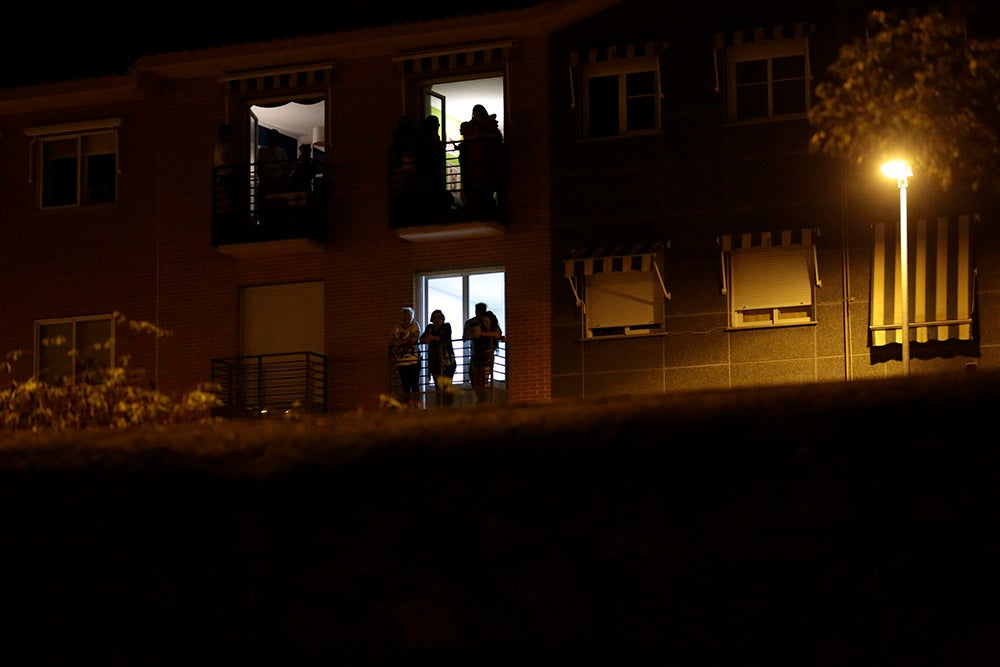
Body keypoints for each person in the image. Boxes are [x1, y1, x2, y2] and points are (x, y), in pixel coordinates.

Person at [458, 104, 504, 215]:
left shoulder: (488, 129)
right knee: (476, 189)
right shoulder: (477, 128)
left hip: (484, 164)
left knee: (482, 189)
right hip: (478, 164)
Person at [463, 302, 504, 405]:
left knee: (483, 380)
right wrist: (472, 333)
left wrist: (481, 333)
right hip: (476, 354)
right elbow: (465, 336)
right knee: (474, 380)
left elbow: (497, 334)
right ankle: (482, 400)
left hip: (486, 355)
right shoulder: (473, 323)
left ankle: (483, 401)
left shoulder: (488, 322)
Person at [420, 309, 457, 406]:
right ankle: (440, 406)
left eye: (439, 318)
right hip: (435, 361)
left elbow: (445, 337)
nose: (437, 320)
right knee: (438, 386)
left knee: (447, 384)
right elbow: (422, 339)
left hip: (447, 361)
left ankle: (448, 405)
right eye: (435, 318)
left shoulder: (446, 326)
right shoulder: (429, 327)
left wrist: (432, 338)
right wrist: (430, 338)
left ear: (442, 319)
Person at [390, 307, 422, 406]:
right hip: (402, 361)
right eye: (404, 318)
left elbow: (414, 339)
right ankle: (408, 406)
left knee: (415, 384)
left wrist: (402, 342)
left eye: (408, 318)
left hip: (414, 360)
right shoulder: (397, 327)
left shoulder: (415, 325)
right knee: (405, 385)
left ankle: (417, 405)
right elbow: (394, 341)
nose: (406, 320)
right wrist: (405, 341)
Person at [213, 124, 238, 216]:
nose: (229, 137)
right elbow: (227, 160)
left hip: (225, 175)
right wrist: (234, 166)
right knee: (228, 198)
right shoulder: (222, 147)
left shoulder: (225, 146)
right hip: (225, 176)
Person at [256, 127, 288, 195]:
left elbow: (260, 165)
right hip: (270, 180)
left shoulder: (263, 150)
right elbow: (284, 166)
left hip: (272, 180)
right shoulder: (281, 151)